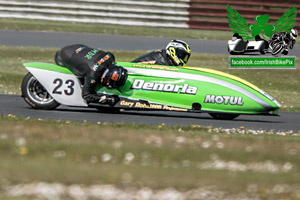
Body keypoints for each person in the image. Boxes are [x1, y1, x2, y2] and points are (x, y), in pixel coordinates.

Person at [54, 44, 127, 105]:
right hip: (63, 56)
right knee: (83, 80)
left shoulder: (110, 57)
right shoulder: (93, 75)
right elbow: (86, 95)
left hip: (78, 47)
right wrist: (106, 99)